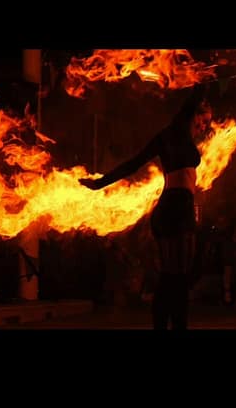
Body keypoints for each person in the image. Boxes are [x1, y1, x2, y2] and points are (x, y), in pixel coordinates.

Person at [79, 88, 212, 329]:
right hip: (174, 207)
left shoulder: (177, 138)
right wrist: (99, 183)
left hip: (178, 206)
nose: (205, 126)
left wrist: (99, 183)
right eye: (204, 120)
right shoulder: (175, 133)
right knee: (177, 277)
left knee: (176, 275)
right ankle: (172, 324)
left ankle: (167, 324)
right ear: (193, 114)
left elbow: (133, 164)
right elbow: (132, 165)